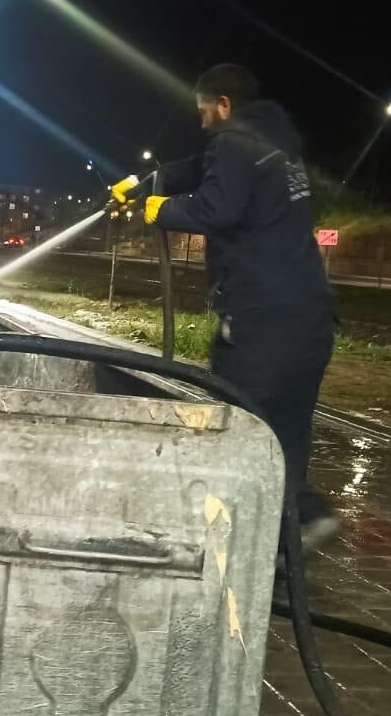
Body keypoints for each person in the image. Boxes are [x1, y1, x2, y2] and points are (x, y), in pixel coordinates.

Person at [112, 62, 340, 551]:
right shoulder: (274, 147)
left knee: (242, 426)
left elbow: (217, 208)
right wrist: (145, 182)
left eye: (203, 112)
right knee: (287, 432)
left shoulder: (234, 144)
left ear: (224, 105)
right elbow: (199, 168)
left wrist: (163, 211)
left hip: (262, 320)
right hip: (310, 318)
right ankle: (290, 535)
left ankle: (265, 536)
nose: (201, 123)